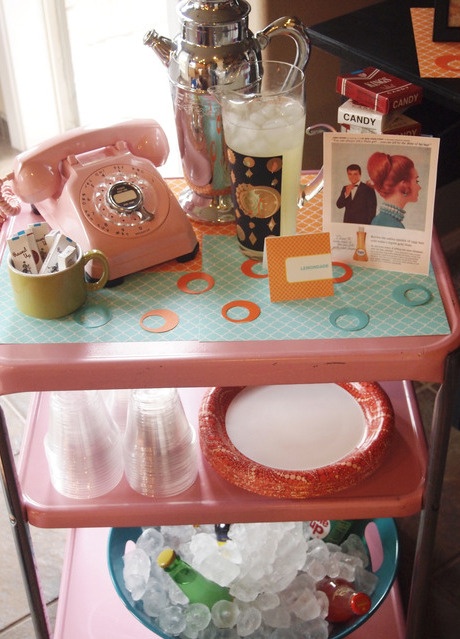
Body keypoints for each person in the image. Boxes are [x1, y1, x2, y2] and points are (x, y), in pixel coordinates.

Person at [367, 152, 421, 229]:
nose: (419, 187)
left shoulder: (379, 220)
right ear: (404, 185)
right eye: (417, 181)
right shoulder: (393, 225)